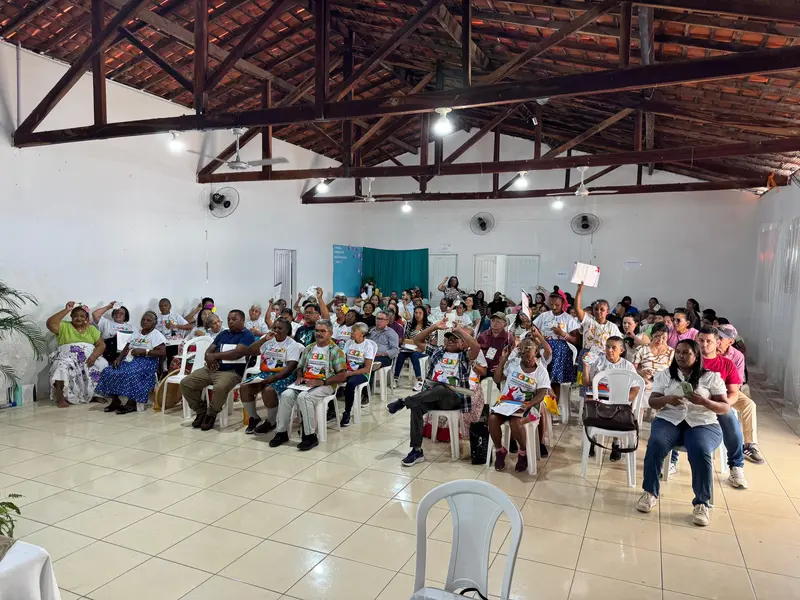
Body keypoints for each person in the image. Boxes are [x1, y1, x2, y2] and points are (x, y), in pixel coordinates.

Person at [637, 339, 729, 527]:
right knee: (656, 443)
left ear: (696, 356)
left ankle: (702, 503)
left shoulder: (711, 377)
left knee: (701, 449)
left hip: (702, 423)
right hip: (670, 419)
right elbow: (653, 402)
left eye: (686, 352)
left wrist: (704, 402)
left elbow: (724, 408)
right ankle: (650, 492)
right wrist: (666, 399)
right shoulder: (665, 375)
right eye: (678, 352)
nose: (680, 355)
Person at [386, 318, 481, 466]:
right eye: (448, 338)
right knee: (416, 408)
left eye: (455, 340)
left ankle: (404, 401)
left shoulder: (464, 356)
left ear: (462, 344)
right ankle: (416, 450)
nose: (450, 341)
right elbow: (417, 340)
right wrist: (434, 327)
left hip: (453, 399)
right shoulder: (437, 352)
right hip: (432, 396)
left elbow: (476, 347)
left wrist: (459, 331)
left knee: (442, 388)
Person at [675, 327, 748, 489]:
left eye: (709, 341)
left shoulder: (726, 364)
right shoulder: (688, 360)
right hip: (689, 403)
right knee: (672, 413)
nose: (704, 344)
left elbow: (734, 392)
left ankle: (736, 467)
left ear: (717, 343)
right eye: (701, 340)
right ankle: (671, 459)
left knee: (729, 416)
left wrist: (722, 405)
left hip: (714, 405)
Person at [269, 319, 347, 451]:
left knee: (304, 398)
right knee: (286, 395)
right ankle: (281, 432)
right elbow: (299, 367)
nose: (319, 334)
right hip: (306, 382)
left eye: (323, 331)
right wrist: (299, 376)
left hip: (326, 384)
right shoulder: (309, 348)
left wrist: (322, 381)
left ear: (330, 333)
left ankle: (310, 436)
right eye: (317, 331)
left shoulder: (335, 351)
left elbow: (342, 375)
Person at [179, 310, 256, 431]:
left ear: (242, 320)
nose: (230, 321)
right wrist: (209, 358)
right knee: (186, 383)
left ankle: (211, 414)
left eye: (234, 319)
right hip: (211, 369)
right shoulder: (223, 333)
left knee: (219, 387)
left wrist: (214, 356)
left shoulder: (247, 335)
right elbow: (210, 349)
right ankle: (201, 411)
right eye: (229, 319)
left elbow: (237, 353)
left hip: (232, 372)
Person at [489, 338, 551, 473]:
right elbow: (497, 379)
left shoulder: (541, 371)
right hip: (508, 402)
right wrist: (503, 360)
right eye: (522, 352)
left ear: (536, 352)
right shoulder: (513, 364)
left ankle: (523, 452)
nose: (525, 355)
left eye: (528, 352)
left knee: (515, 422)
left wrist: (529, 404)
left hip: (529, 406)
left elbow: (541, 394)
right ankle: (500, 450)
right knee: (492, 419)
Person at [94, 311, 167, 413]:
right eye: (143, 320)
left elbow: (162, 352)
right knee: (107, 371)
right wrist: (119, 359)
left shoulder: (156, 335)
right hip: (130, 360)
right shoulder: (137, 332)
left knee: (131, 374)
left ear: (154, 323)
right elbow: (126, 347)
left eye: (149, 320)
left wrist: (144, 351)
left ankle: (131, 403)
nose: (145, 322)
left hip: (147, 362)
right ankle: (115, 401)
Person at [240, 318, 302, 434]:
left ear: (287, 330)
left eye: (280, 328)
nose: (276, 330)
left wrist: (273, 378)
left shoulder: (291, 344)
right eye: (274, 328)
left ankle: (271, 421)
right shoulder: (268, 340)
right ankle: (254, 417)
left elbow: (291, 366)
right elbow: (251, 351)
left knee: (269, 390)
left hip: (284, 375)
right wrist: (263, 340)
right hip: (264, 373)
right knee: (244, 386)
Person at [583, 336, 640, 461]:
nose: (609, 350)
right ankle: (591, 439)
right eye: (607, 346)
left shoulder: (628, 366)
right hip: (600, 400)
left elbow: (635, 388)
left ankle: (616, 443)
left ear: (621, 350)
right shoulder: (598, 362)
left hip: (619, 402)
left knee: (618, 416)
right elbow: (587, 383)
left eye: (614, 347)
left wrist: (625, 401)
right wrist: (586, 367)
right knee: (588, 404)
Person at [46, 302, 108, 407]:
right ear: (71, 316)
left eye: (82, 316)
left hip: (89, 358)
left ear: (86, 317)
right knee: (61, 367)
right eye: (75, 316)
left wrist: (93, 356)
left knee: (103, 364)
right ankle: (60, 397)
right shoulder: (64, 326)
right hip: (67, 357)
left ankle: (94, 394)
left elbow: (101, 345)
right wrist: (67, 309)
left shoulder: (91, 329)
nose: (78, 318)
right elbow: (50, 324)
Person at [716, 325, 762, 463]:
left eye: (720, 338)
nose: (716, 340)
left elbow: (737, 384)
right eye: (716, 336)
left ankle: (750, 445)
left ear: (730, 341)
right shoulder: (708, 349)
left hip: (727, 390)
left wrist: (726, 396)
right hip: (707, 388)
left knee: (749, 405)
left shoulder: (737, 356)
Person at [533, 292, 580, 406]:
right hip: (543, 346)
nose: (554, 307)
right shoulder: (544, 316)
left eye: (557, 305)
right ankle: (539, 405)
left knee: (554, 381)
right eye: (551, 304)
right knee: (537, 375)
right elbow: (534, 328)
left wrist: (563, 334)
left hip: (560, 351)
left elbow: (576, 340)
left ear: (563, 304)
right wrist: (538, 336)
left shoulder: (568, 318)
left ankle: (552, 407)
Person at [340, 323, 377, 427]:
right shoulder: (349, 343)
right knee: (331, 380)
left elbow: (367, 368)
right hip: (348, 369)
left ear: (362, 333)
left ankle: (347, 412)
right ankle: (331, 409)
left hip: (361, 373)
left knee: (351, 384)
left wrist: (350, 373)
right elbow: (342, 359)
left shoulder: (368, 346)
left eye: (354, 331)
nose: (351, 333)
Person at [574, 283, 621, 362]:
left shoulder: (612, 327)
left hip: (604, 356)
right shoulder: (588, 320)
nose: (598, 311)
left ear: (607, 311)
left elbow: (617, 344)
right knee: (584, 374)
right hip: (587, 354)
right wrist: (579, 291)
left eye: (602, 310)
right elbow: (577, 309)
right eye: (596, 309)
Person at [632, 322, 674, 397]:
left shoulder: (672, 353)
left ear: (668, 337)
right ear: (651, 335)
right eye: (657, 337)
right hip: (645, 382)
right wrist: (642, 372)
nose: (660, 340)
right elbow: (632, 369)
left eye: (664, 338)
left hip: (664, 385)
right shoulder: (642, 349)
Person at [394, 306, 431, 391]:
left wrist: (416, 343)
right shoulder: (410, 324)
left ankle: (419, 381)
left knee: (414, 355)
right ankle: (395, 379)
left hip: (423, 349)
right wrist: (417, 342)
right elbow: (405, 339)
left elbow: (430, 342)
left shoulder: (429, 325)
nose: (417, 315)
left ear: (424, 314)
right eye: (416, 313)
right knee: (401, 354)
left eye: (420, 313)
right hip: (409, 348)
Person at [477, 312, 516, 377]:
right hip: (483, 369)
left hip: (501, 370)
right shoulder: (483, 336)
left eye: (498, 321)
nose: (495, 323)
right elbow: (476, 352)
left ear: (505, 324)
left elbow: (512, 356)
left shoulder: (509, 338)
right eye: (493, 321)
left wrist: (501, 366)